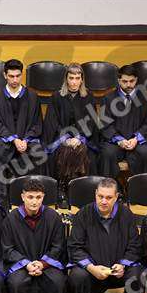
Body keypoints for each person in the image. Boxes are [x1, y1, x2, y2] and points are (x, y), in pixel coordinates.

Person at [68, 178, 143, 293]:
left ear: (116, 197)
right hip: (93, 269)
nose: (103, 201)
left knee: (139, 277)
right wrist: (91, 267)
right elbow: (75, 247)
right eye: (100, 196)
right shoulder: (83, 214)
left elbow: (135, 245)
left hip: (119, 269)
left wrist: (123, 264)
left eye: (108, 197)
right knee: (77, 276)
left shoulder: (126, 215)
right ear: (95, 194)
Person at [1, 179, 69, 293]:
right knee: (17, 284)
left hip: (47, 264)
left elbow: (58, 246)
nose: (34, 201)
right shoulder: (11, 219)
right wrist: (27, 264)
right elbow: (7, 249)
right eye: (30, 197)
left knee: (58, 282)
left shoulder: (53, 217)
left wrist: (42, 263)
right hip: (21, 265)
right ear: (23, 197)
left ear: (43, 197)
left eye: (38, 197)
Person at [42, 63, 98, 201]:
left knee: (80, 149)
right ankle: (70, 188)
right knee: (67, 150)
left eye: (77, 78)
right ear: (66, 79)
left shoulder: (88, 97)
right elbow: (52, 122)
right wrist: (65, 138)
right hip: (60, 138)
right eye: (71, 78)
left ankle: (68, 188)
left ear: (82, 79)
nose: (74, 82)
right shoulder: (56, 97)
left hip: (82, 138)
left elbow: (91, 122)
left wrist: (79, 138)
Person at [0, 59, 45, 176]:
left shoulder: (33, 97)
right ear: (5, 75)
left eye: (18, 76)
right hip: (4, 141)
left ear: (22, 75)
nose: (15, 80)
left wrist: (25, 140)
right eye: (11, 76)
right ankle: (0, 188)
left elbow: (36, 124)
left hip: (27, 140)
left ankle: (31, 187)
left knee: (38, 153)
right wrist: (14, 139)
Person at [98, 64, 147, 178]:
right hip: (115, 142)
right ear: (118, 80)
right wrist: (119, 140)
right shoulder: (108, 99)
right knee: (107, 153)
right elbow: (105, 124)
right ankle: (110, 188)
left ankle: (144, 187)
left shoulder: (145, 98)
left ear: (136, 80)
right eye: (125, 81)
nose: (129, 85)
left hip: (138, 142)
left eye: (132, 81)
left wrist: (136, 139)